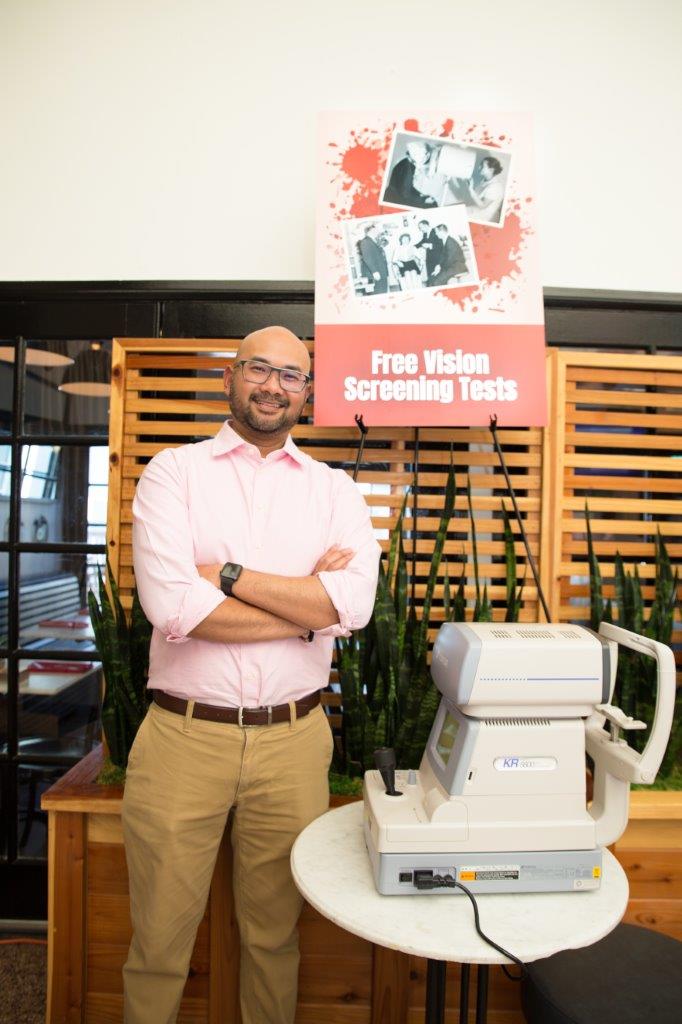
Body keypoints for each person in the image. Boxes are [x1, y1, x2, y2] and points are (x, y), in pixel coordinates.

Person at [122, 325, 381, 1024]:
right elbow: (173, 607)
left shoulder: (335, 491)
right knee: (158, 943)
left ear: (307, 392)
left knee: (273, 939)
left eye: (290, 375)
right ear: (229, 379)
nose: (273, 385)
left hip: (293, 743)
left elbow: (353, 603)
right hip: (183, 737)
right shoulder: (175, 473)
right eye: (258, 369)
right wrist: (305, 609)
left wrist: (229, 578)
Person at [382, 140, 438, 208]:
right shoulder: (406, 167)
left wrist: (421, 195)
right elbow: (405, 194)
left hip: (396, 197)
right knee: (432, 206)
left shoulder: (406, 163)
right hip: (393, 200)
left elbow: (408, 188)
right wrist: (423, 200)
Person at [461, 155, 505, 224]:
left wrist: (471, 189)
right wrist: (470, 186)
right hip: (477, 210)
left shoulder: (495, 187)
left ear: (491, 170)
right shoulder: (484, 180)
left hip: (487, 217)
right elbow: (477, 198)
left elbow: (483, 206)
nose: (479, 167)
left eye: (482, 166)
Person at [357, 222, 389, 294]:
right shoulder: (365, 242)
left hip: (380, 271)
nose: (377, 231)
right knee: (379, 293)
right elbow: (367, 258)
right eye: (376, 230)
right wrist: (374, 271)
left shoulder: (372, 241)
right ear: (371, 230)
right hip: (375, 273)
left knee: (383, 292)